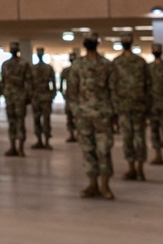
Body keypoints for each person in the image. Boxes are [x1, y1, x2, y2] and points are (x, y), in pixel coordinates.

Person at [67, 32, 116, 199]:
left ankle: (105, 186)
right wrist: (75, 111)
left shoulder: (106, 65)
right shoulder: (78, 65)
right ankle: (92, 184)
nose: (90, 43)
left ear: (97, 43)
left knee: (104, 150)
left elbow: (113, 91)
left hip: (102, 115)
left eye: (92, 41)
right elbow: (72, 91)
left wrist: (113, 113)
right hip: (84, 115)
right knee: (88, 150)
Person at [111, 33, 150, 180]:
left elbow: (113, 87)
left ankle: (134, 168)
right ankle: (137, 168)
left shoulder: (117, 62)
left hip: (126, 107)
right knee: (137, 137)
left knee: (130, 137)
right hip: (135, 106)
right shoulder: (140, 62)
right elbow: (148, 86)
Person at [1, 41, 32, 157]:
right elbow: (3, 81)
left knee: (19, 122)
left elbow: (28, 81)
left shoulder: (23, 64)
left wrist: (28, 96)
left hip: (19, 96)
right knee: (12, 122)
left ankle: (20, 147)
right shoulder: (6, 64)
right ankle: (13, 147)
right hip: (12, 97)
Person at [29, 47, 57, 150]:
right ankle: (39, 140)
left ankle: (46, 141)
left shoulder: (48, 68)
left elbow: (53, 83)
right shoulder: (34, 68)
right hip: (37, 96)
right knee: (37, 119)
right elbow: (29, 83)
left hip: (44, 96)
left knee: (46, 119)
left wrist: (52, 95)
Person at [60, 51, 78, 142]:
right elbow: (61, 82)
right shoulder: (66, 70)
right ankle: (72, 134)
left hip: (78, 97)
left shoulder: (79, 70)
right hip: (69, 96)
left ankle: (77, 134)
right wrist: (62, 92)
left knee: (77, 116)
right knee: (70, 116)